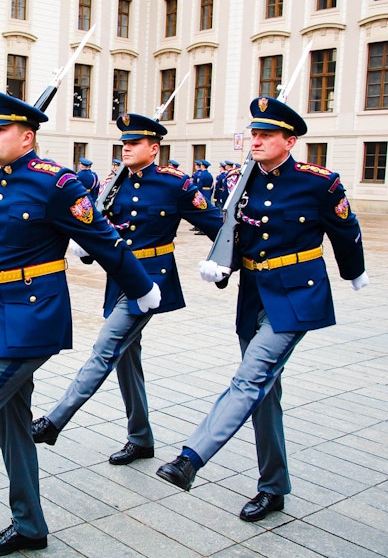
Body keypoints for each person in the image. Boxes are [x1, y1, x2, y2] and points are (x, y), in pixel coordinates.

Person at [156, 96, 368, 522]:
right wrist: (223, 267)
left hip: (297, 295)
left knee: (250, 377)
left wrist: (354, 272)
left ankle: (191, 458)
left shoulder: (319, 183)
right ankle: (274, 487)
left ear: (289, 141)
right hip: (254, 294)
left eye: (266, 135)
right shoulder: (242, 181)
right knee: (264, 394)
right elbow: (239, 234)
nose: (256, 141)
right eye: (254, 134)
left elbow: (346, 229)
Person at [0, 93, 160, 555]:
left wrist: (143, 288)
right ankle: (30, 526)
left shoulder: (57, 183)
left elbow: (105, 241)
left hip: (32, 320)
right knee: (11, 422)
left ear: (27, 137)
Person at [32, 112, 223, 467]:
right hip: (117, 278)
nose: (127, 148)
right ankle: (141, 439)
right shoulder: (114, 181)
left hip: (151, 279)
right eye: (124, 143)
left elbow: (218, 227)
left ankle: (55, 420)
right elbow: (101, 226)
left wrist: (225, 264)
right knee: (126, 361)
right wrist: (86, 247)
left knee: (105, 348)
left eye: (134, 143)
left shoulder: (175, 184)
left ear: (154, 149)